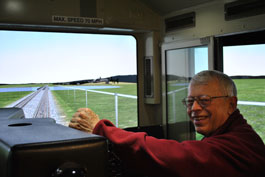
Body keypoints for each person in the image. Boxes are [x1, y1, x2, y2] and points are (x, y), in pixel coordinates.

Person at [69, 70, 265, 177]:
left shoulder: (240, 145)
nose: (194, 108)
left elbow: (179, 157)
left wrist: (100, 128)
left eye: (204, 100)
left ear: (231, 104)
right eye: (189, 102)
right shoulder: (227, 134)